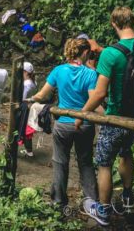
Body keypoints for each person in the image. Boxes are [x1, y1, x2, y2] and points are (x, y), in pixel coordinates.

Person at [76, 6, 134, 223]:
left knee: (104, 162)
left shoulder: (110, 54)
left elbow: (99, 93)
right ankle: (127, 196)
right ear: (133, 22)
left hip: (116, 117)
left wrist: (82, 114)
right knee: (126, 152)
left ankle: (103, 211)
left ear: (113, 24)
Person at [28, 38, 101, 223]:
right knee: (85, 162)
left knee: (60, 162)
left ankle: (59, 202)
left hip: (63, 124)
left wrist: (29, 99)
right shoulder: (91, 74)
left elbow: (42, 94)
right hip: (84, 124)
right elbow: (95, 99)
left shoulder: (58, 71)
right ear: (84, 53)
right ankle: (91, 201)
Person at [18, 62, 37, 156]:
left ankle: (28, 152)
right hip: (31, 108)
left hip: (25, 109)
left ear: (25, 72)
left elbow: (23, 98)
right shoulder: (34, 82)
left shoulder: (26, 84)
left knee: (22, 129)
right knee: (27, 131)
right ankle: (29, 151)